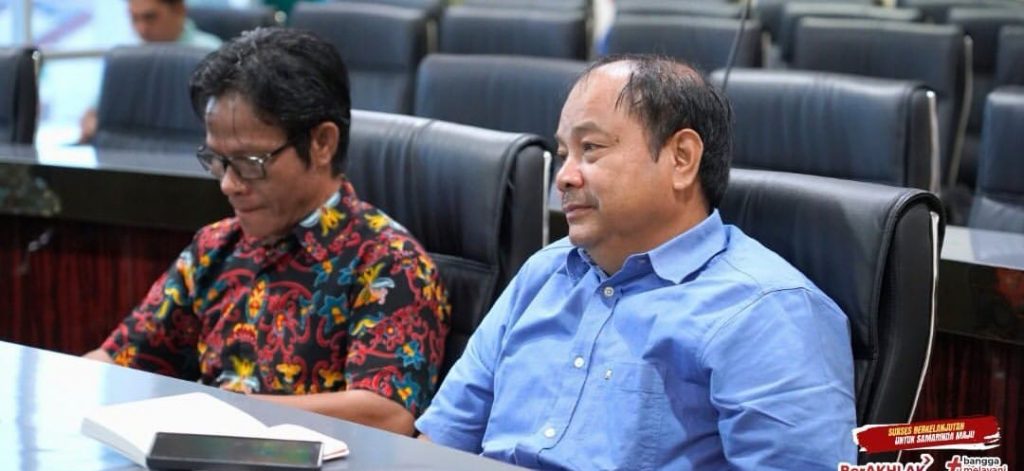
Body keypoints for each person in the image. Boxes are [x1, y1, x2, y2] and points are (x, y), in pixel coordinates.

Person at [415, 55, 858, 469]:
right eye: (564, 154)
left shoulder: (768, 311)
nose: (564, 177)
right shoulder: (545, 272)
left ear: (681, 159)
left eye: (591, 148)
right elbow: (438, 444)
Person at [84, 27, 450, 437]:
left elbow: (386, 414)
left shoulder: (388, 263)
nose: (229, 184)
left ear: (322, 143)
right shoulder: (214, 248)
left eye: (250, 162)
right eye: (217, 161)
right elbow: (118, 361)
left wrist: (219, 411)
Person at [78, 0, 222, 144]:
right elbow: (94, 113)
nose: (142, 29)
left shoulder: (211, 54)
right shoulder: (128, 59)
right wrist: (92, 122)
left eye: (150, 17)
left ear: (179, 9)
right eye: (134, 18)